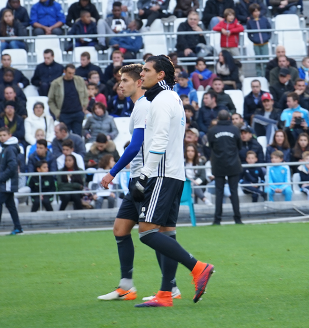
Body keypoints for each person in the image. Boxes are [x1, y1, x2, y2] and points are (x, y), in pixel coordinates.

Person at [125, 55, 215, 307]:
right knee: (167, 233)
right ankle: (165, 294)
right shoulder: (171, 97)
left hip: (162, 174)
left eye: (146, 70)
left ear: (160, 74)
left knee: (146, 232)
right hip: (175, 174)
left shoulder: (162, 100)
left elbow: (160, 140)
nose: (141, 74)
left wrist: (144, 174)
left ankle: (198, 267)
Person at [98, 63, 165, 305]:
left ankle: (172, 286)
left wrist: (112, 172)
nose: (120, 85)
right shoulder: (139, 106)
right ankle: (126, 287)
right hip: (138, 178)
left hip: (145, 179)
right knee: (121, 229)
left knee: (152, 233)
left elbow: (135, 146)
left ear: (138, 82)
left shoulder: (145, 105)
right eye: (119, 81)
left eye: (124, 80)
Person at [206, 109, 243, 225]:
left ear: (218, 118)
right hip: (233, 164)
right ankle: (237, 219)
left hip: (218, 164)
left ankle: (217, 219)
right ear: (229, 118)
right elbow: (239, 146)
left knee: (219, 192)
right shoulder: (235, 129)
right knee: (234, 192)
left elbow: (210, 146)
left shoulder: (212, 130)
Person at [0, 128, 22, 236]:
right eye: (0, 135)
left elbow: (12, 167)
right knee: (10, 205)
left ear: (9, 135)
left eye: (4, 135)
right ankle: (18, 227)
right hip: (7, 181)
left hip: (7, 182)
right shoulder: (7, 148)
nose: (2, 137)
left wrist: (1, 177)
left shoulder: (9, 149)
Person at [48, 64, 89, 136]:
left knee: (78, 136)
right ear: (64, 71)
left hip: (78, 113)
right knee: (65, 137)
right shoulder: (56, 83)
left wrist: (84, 107)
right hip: (64, 114)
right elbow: (50, 100)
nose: (71, 75)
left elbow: (86, 95)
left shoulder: (80, 80)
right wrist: (57, 113)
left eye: (73, 73)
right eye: (69, 73)